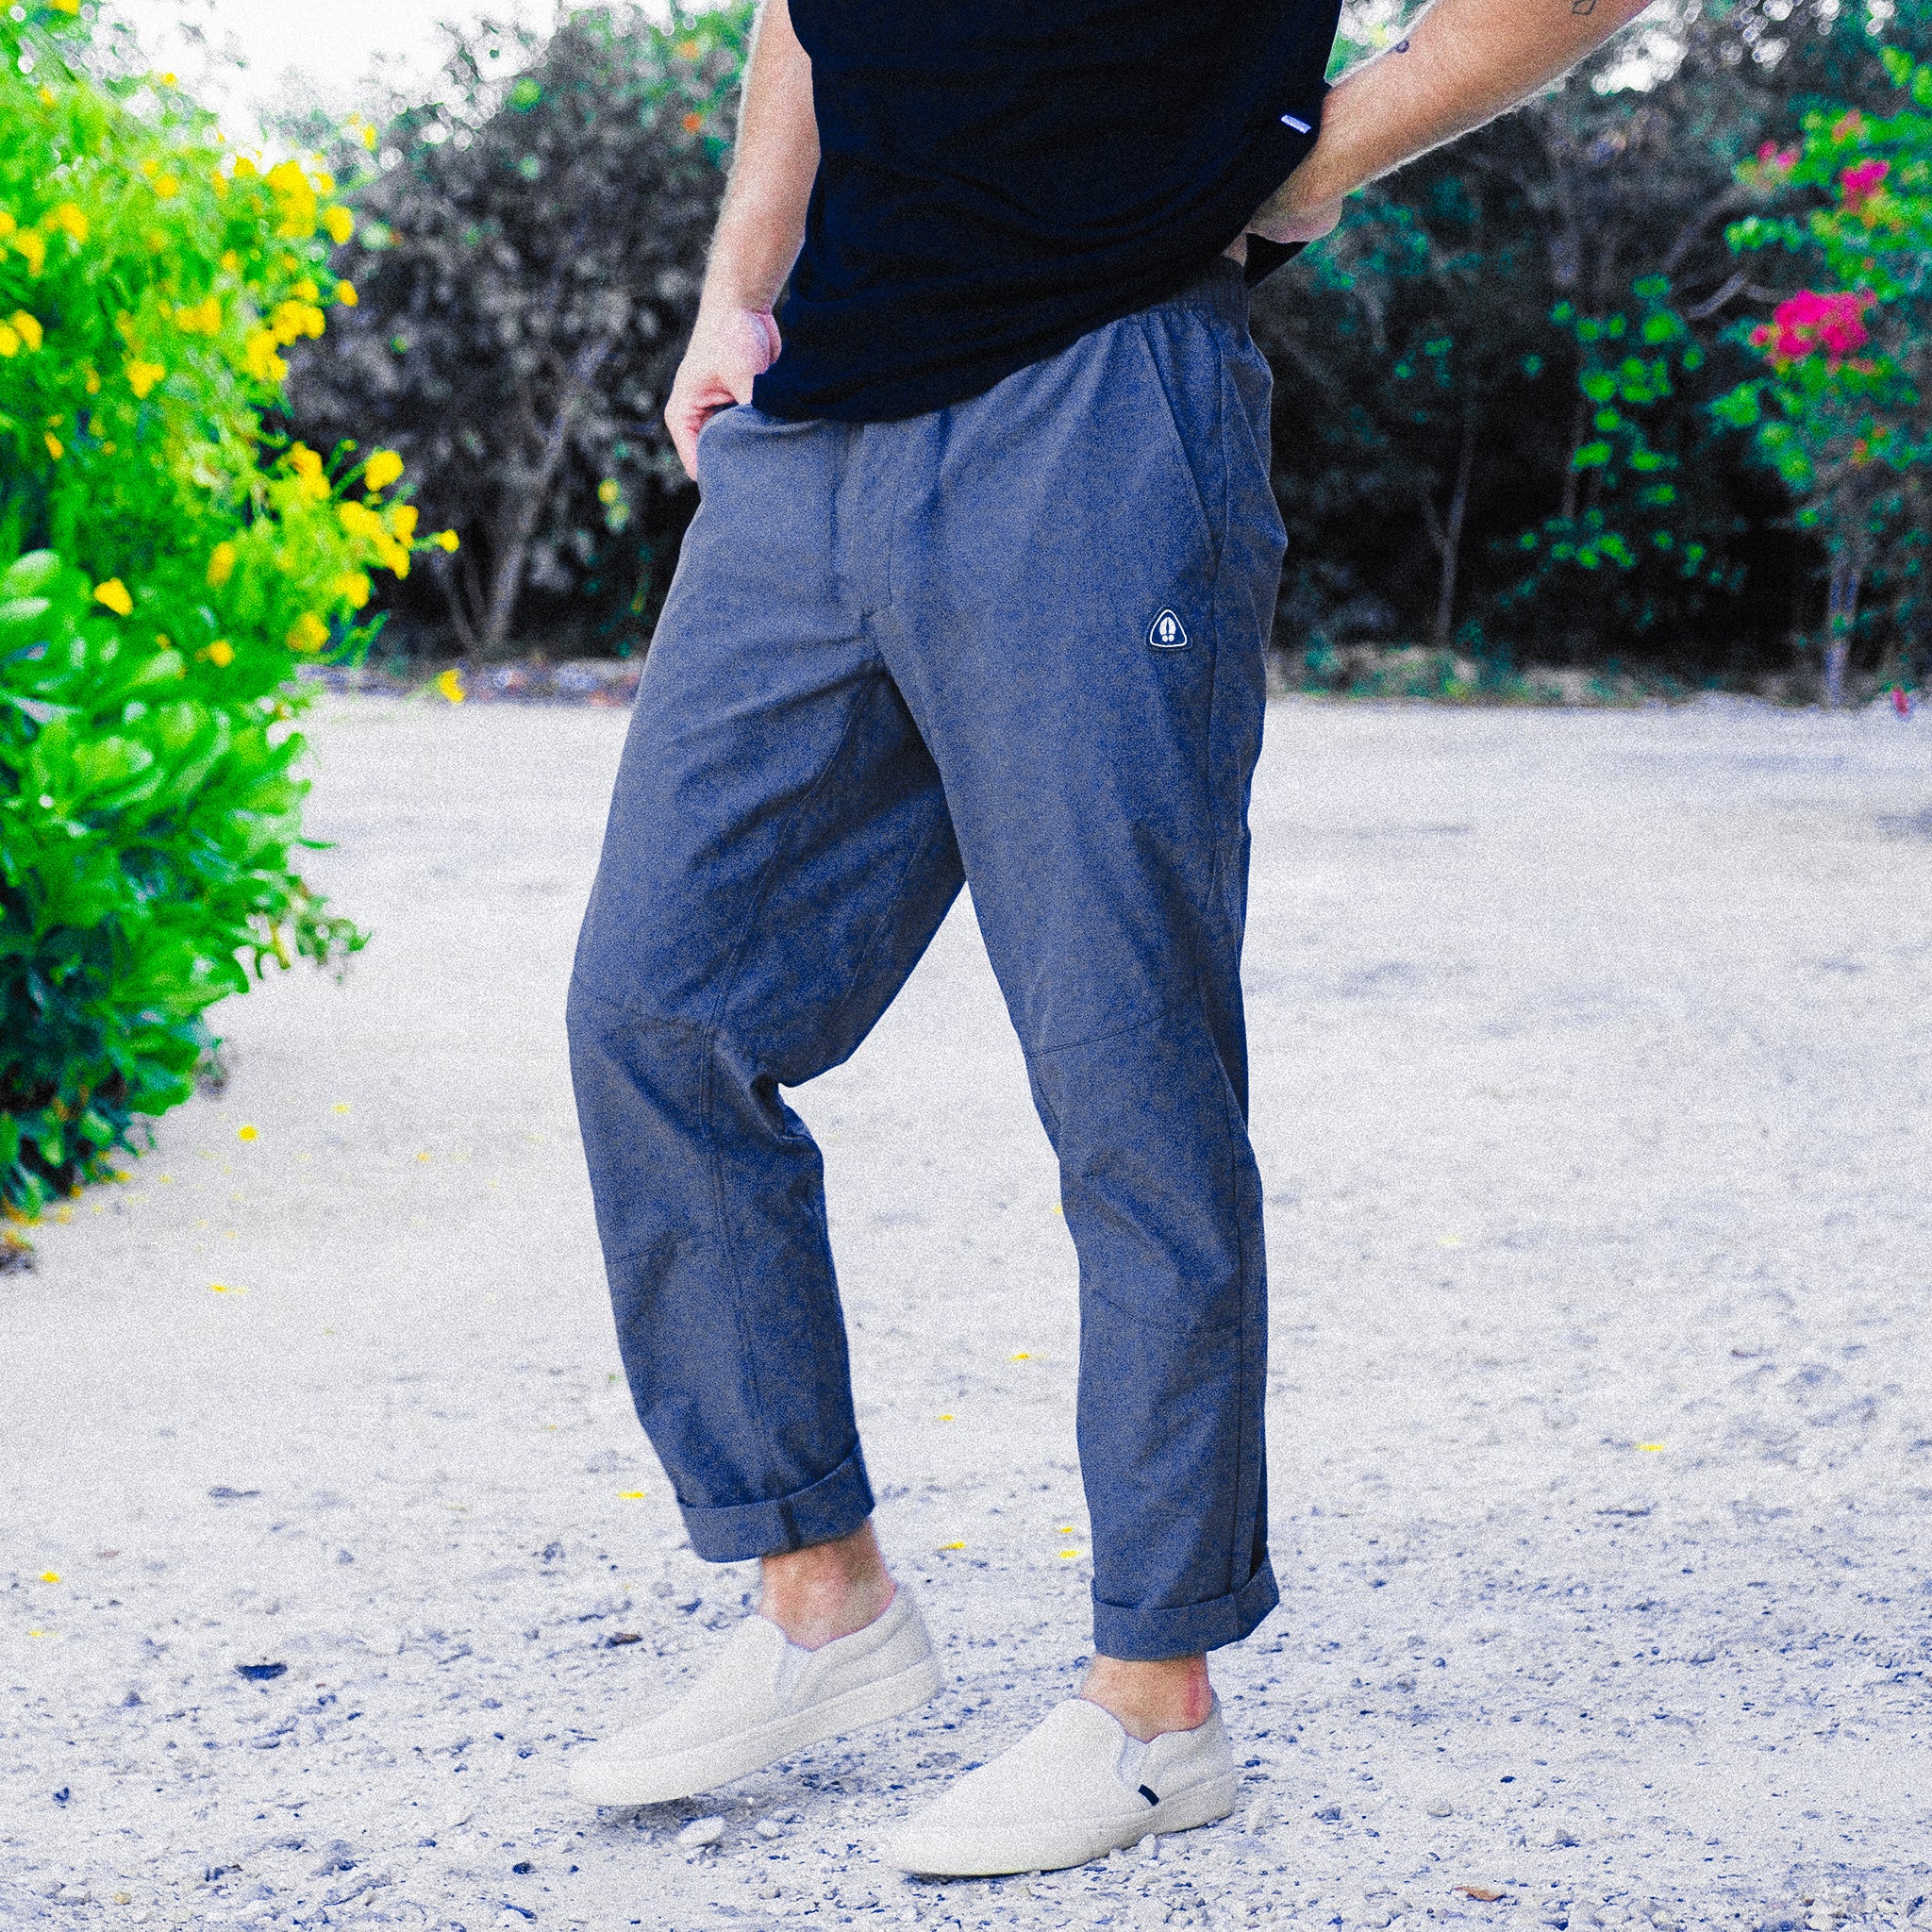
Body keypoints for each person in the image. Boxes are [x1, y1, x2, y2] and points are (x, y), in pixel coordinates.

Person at [564, 0, 1652, 1877]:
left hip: (1099, 393)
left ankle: (1158, 1702)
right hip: (820, 417)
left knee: (1123, 1073)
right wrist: (737, 285)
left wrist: (1306, 159)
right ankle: (823, 1605)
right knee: (654, 1009)